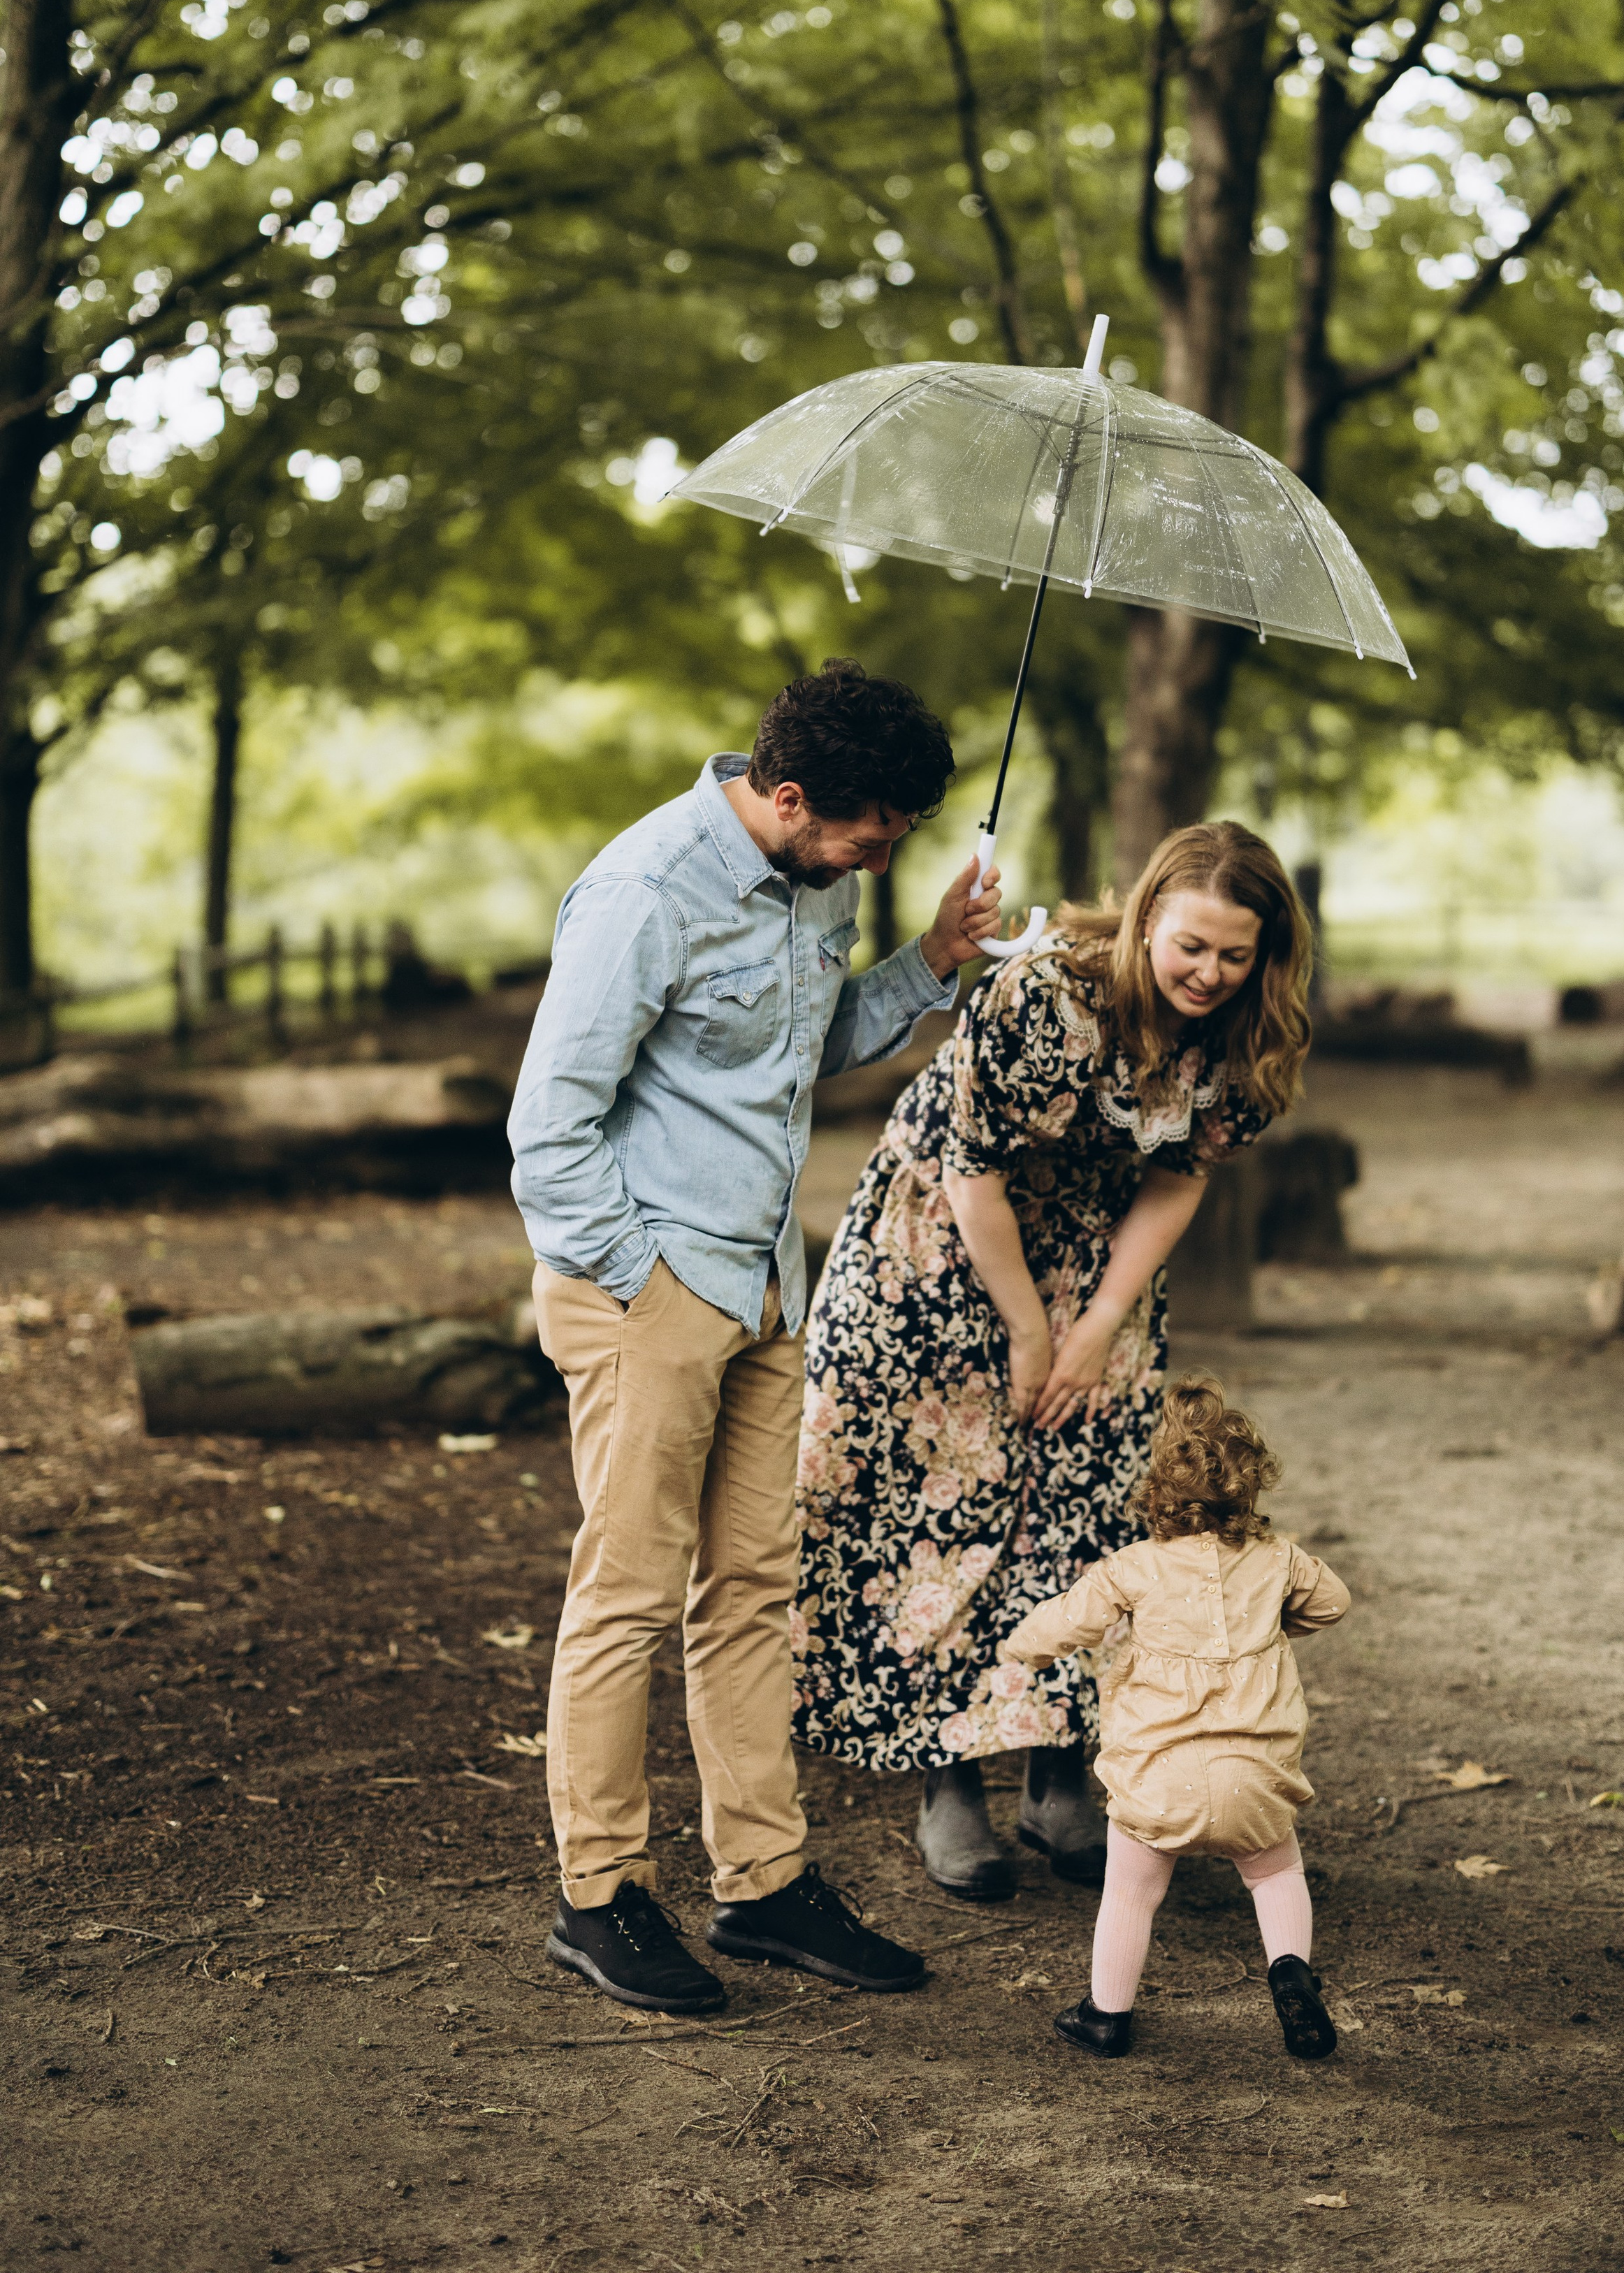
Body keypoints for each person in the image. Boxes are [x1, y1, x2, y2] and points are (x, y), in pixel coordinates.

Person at [508, 660, 1003, 2015]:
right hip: (651, 1291)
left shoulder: (821, 875)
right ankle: (598, 1897)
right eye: (870, 835)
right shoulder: (642, 891)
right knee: (624, 1593)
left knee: (751, 1588)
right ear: (788, 797)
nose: (881, 855)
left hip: (769, 1284)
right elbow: (545, 1127)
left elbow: (796, 1044)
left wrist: (928, 965)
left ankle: (763, 1886)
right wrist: (644, 1284)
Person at [791, 820, 1312, 1901]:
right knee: (935, 1508)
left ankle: (1062, 1776)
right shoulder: (1048, 996)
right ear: (1146, 919)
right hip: (939, 1248)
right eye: (1189, 946)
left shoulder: (1246, 1041)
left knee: (1089, 1500)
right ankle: (949, 1782)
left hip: (1097, 1257)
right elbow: (971, 1167)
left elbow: (1181, 1178)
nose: (1208, 973)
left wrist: (1099, 1322)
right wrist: (1031, 1329)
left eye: (1233, 954)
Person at [999, 1378, 1350, 2061]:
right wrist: (1279, 1618)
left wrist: (1018, 1649)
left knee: (1130, 1894)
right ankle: (1288, 1971)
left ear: (1157, 1495)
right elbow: (1332, 1602)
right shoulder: (1277, 1561)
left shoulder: (1131, 1569)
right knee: (1276, 1876)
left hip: (1159, 1782)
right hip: (1256, 1781)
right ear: (1248, 1496)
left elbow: (1061, 1625)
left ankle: (1106, 2016)